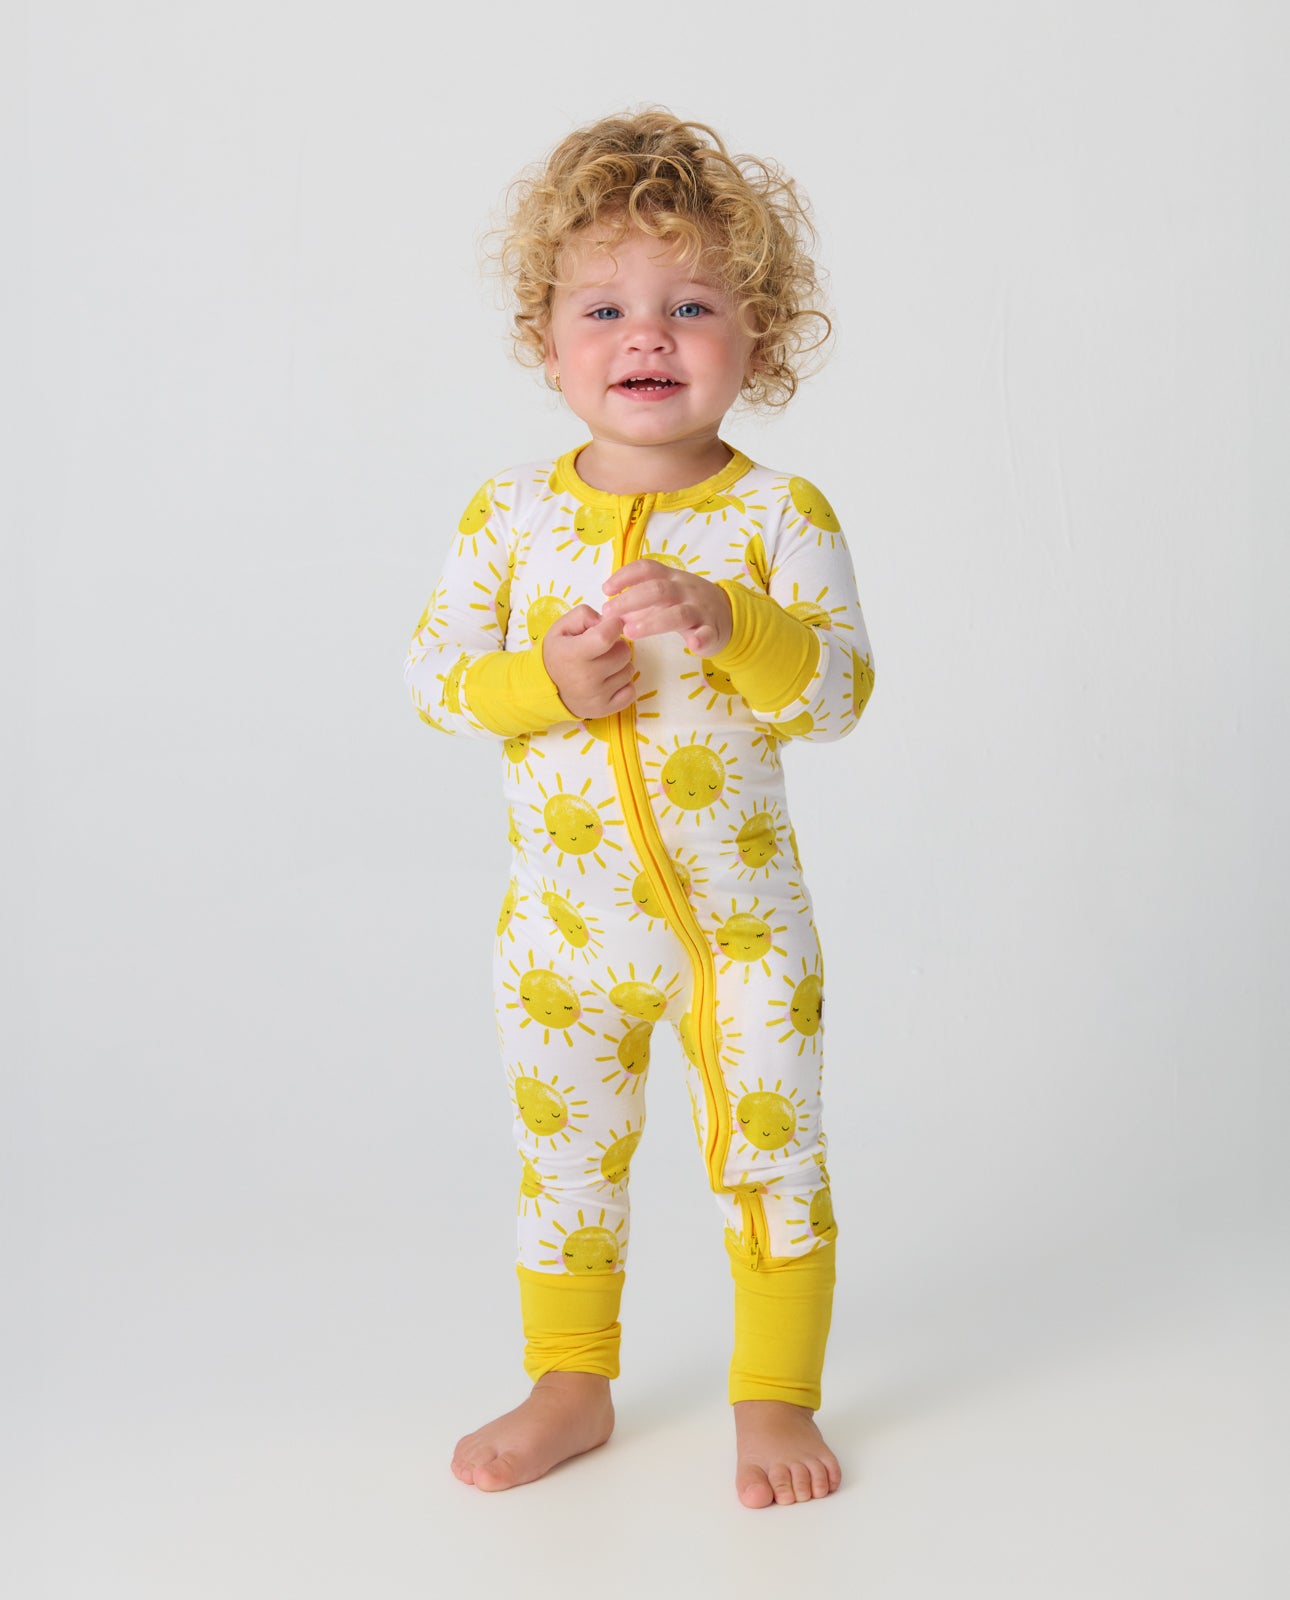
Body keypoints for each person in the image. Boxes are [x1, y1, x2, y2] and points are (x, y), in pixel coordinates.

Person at [404, 108, 875, 1508]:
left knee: (773, 1157)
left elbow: (838, 695)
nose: (645, 336)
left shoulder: (780, 516)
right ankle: (570, 1382)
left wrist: (735, 623)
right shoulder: (509, 516)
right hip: (563, 940)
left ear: (758, 338)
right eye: (603, 308)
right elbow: (433, 680)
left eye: (692, 306)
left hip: (744, 939)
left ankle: (774, 1395)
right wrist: (540, 681)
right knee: (563, 1160)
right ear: (547, 341)